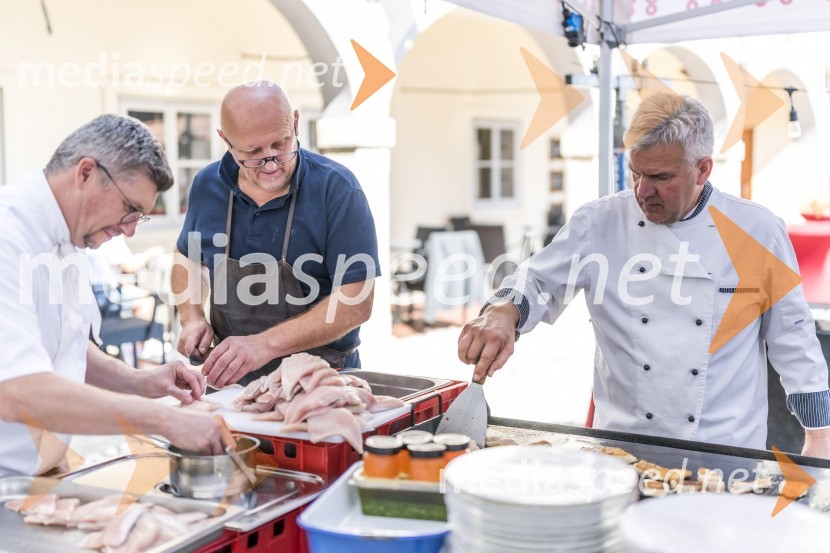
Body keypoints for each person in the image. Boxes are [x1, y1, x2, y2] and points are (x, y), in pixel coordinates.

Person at [458, 92, 830, 459]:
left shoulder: (757, 229)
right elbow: (537, 280)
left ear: (703, 169)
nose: (641, 191)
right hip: (622, 451)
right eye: (636, 173)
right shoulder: (599, 221)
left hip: (726, 450)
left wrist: (820, 435)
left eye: (660, 177)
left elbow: (793, 339)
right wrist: (503, 311)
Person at [0, 114, 226, 478]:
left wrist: (140, 382)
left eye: (141, 217)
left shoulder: (70, 238)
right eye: (130, 209)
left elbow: (68, 349)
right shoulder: (8, 237)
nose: (130, 231)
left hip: (42, 472)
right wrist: (162, 419)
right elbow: (17, 391)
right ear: (86, 173)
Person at [172, 81, 379, 388]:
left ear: (295, 123)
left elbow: (356, 302)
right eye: (253, 152)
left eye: (280, 144)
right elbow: (188, 259)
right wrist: (191, 317)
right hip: (231, 384)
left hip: (322, 383)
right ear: (225, 140)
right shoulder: (206, 186)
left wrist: (264, 345)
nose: (270, 163)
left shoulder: (336, 189)